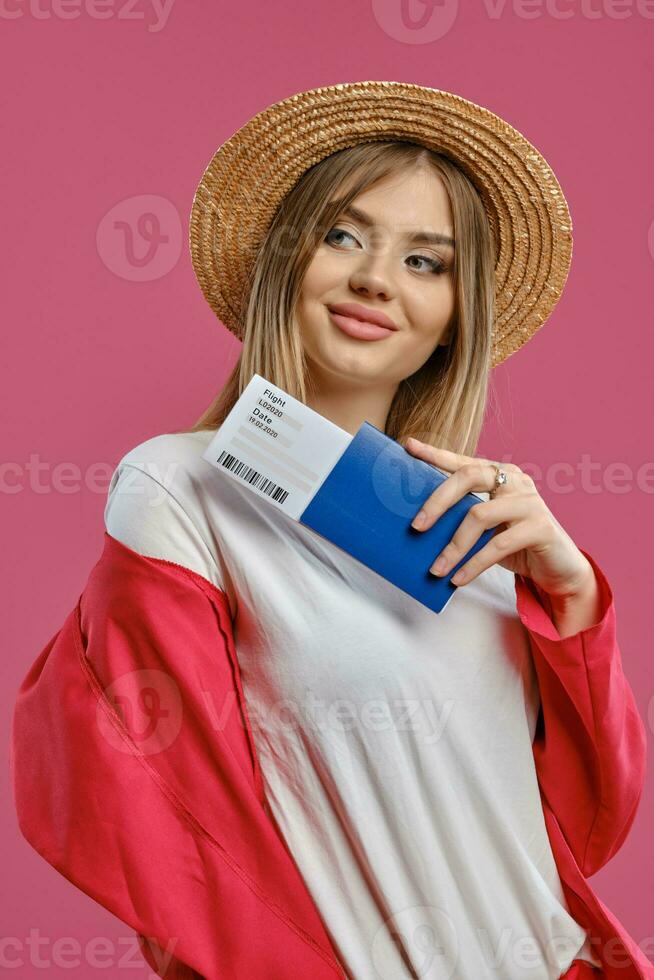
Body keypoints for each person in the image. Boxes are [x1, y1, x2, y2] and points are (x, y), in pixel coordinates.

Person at [10, 82, 651, 980]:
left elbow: (583, 827)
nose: (376, 280)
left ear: (454, 320)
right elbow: (163, 808)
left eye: (428, 263)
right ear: (285, 261)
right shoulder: (177, 485)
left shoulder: (480, 534)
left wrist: (574, 597)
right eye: (343, 236)